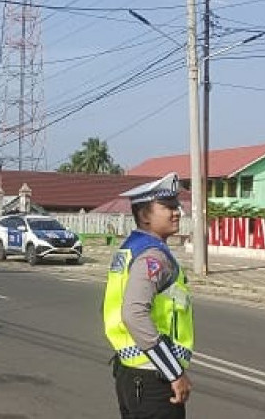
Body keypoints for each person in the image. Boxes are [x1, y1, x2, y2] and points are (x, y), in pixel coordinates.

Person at [103, 172, 194, 418]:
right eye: (167, 206)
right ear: (144, 216)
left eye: (176, 205)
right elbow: (133, 313)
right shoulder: (153, 256)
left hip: (131, 372)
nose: (177, 212)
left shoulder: (131, 249)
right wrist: (174, 372)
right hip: (153, 378)